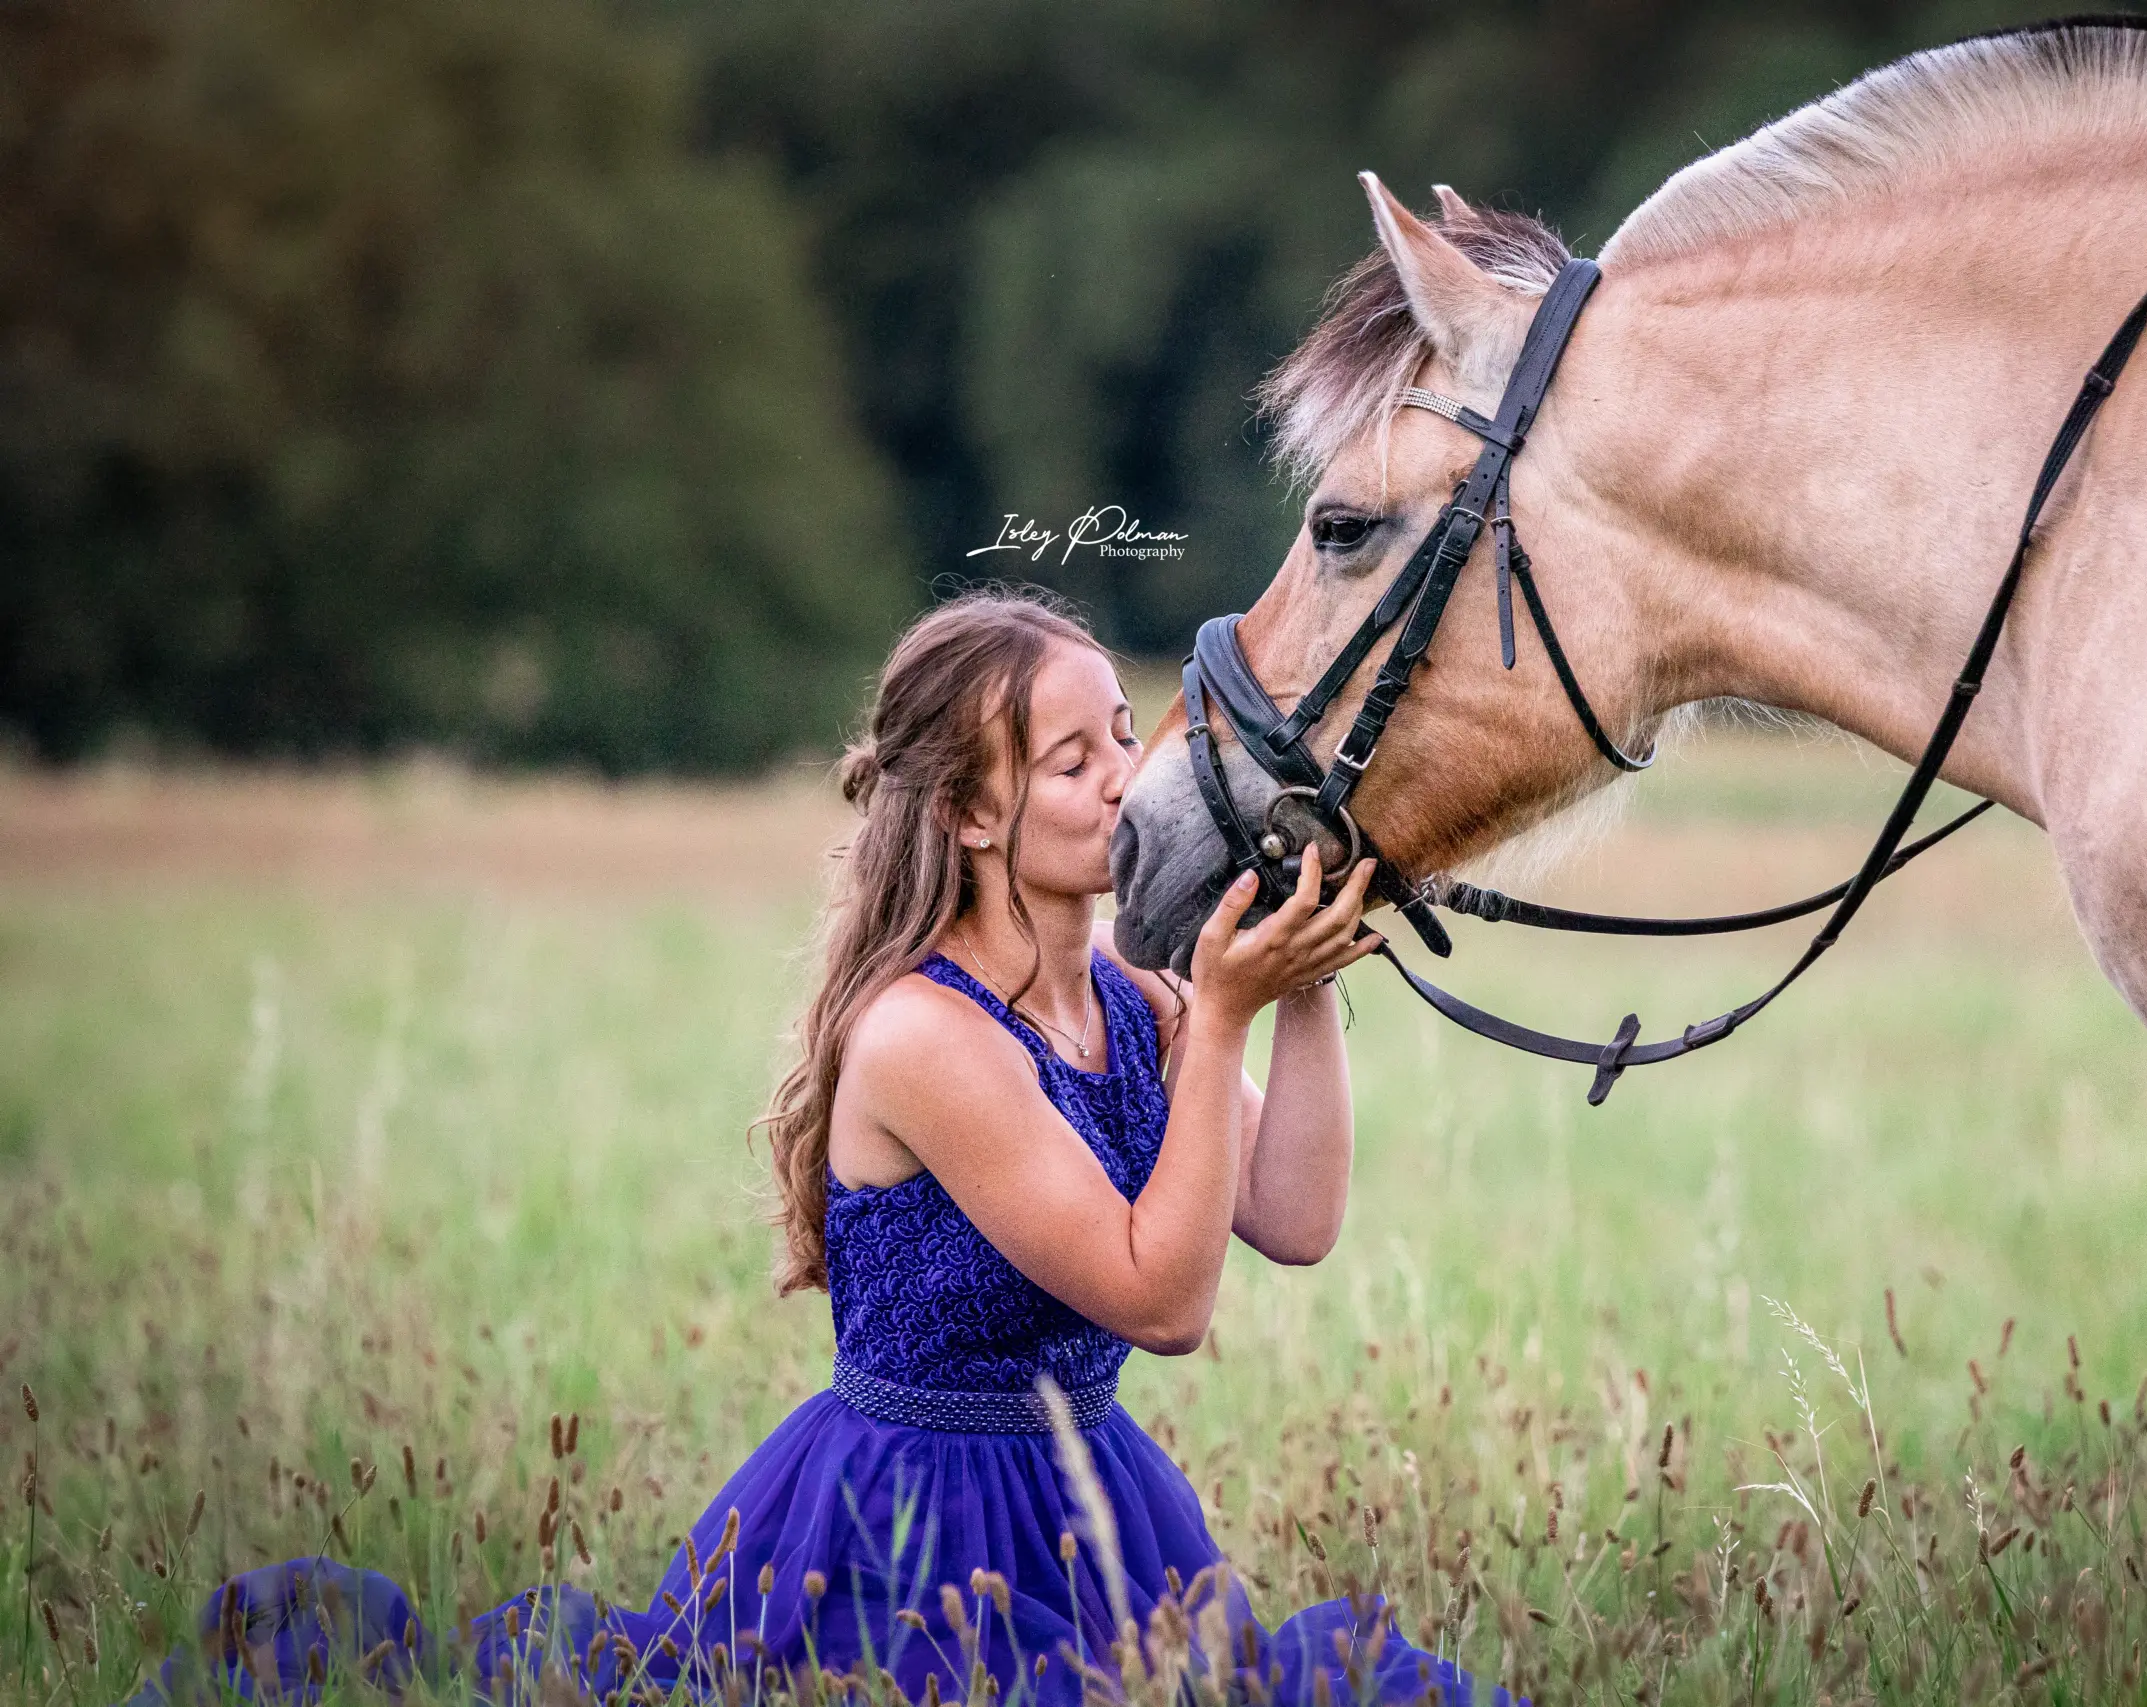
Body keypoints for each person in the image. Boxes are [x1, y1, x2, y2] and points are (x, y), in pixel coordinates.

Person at [138, 592, 1504, 1705]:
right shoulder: (924, 1038)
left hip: (1100, 1504)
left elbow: (1297, 1215)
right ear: (973, 813)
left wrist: (1312, 978)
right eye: (1070, 758)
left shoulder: (1134, 1003)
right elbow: (1165, 1297)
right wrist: (1225, 1014)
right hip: (909, 1530)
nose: (1122, 781)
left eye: (1125, 737)